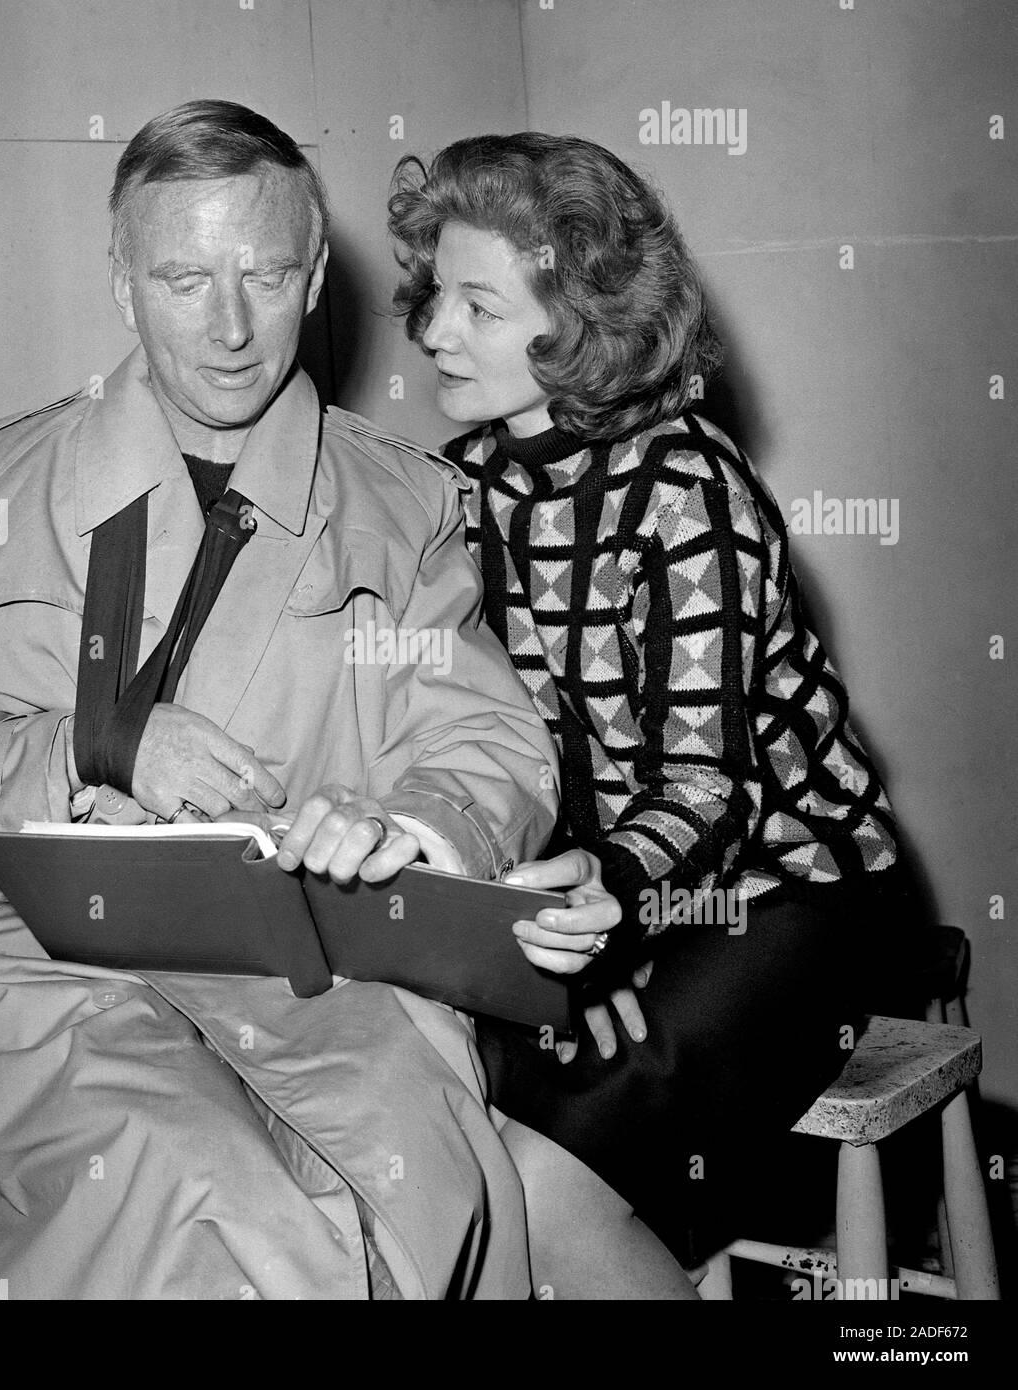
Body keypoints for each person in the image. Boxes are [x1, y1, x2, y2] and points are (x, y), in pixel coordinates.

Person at [0, 101, 562, 1300]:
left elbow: (485, 746)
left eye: (267, 274)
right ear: (122, 283)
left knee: (420, 1213)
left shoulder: (404, 504)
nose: (235, 327)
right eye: (186, 279)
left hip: (316, 957)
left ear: (313, 281)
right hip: (35, 959)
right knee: (226, 1221)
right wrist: (86, 747)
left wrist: (409, 823)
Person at [388, 133, 913, 1298]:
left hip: (794, 892)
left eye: (479, 305)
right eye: (435, 298)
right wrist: (602, 942)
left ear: (579, 318)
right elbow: (493, 747)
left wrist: (629, 913)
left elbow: (705, 794)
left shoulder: (689, 490)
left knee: (535, 1188)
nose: (432, 332)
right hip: (620, 894)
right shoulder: (466, 487)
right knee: (447, 1148)